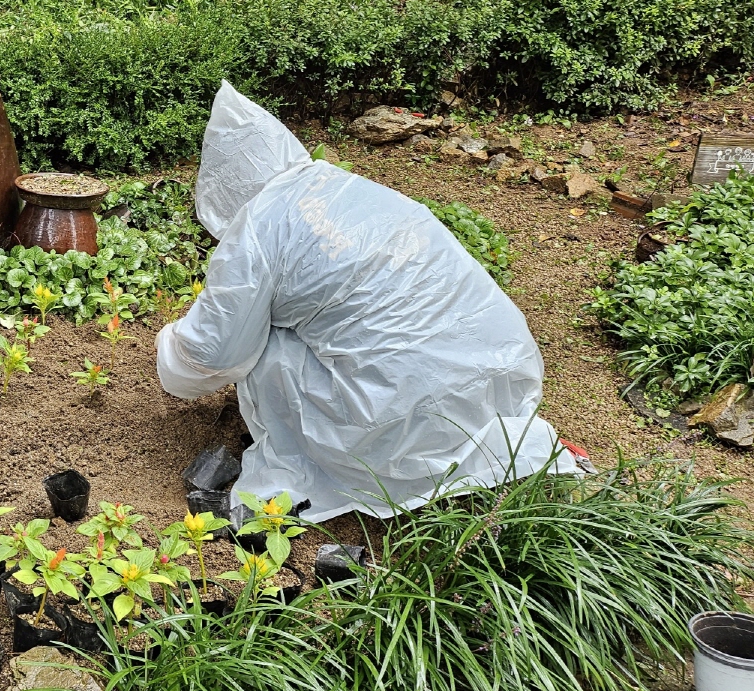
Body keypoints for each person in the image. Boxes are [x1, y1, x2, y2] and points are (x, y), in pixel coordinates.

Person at [156, 82, 572, 523]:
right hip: (496, 379)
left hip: (402, 420)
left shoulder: (257, 228)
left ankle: (326, 462)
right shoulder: (341, 187)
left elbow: (211, 355)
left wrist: (169, 346)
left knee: (262, 339)